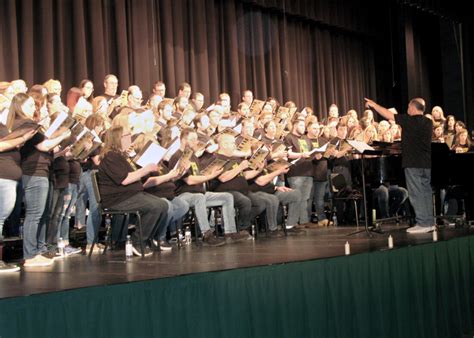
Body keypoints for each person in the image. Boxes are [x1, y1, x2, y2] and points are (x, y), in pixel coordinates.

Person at [365, 97, 435, 233]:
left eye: (409, 107)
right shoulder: (428, 122)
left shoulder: (408, 120)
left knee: (416, 193)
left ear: (413, 108)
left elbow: (388, 114)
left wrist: (374, 105)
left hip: (413, 163)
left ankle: (423, 223)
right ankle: (429, 222)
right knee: (425, 193)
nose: (407, 109)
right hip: (426, 164)